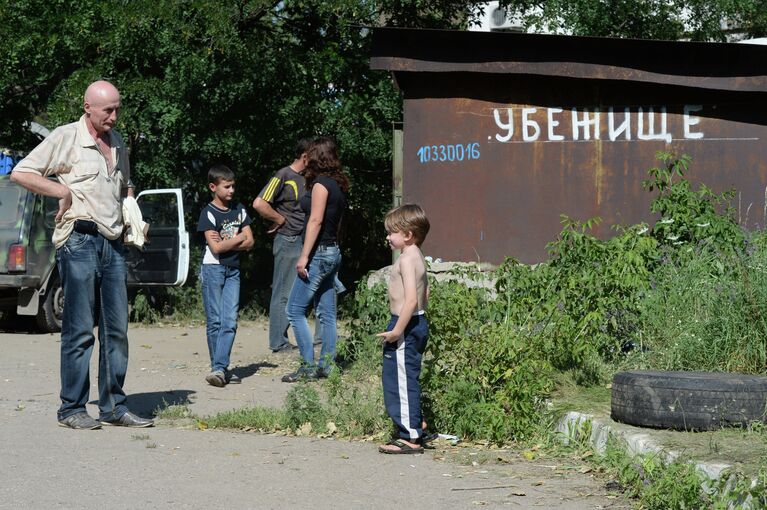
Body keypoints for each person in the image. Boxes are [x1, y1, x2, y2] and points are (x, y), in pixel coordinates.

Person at [10, 80, 153, 429]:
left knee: (117, 329)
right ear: (88, 107)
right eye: (108, 110)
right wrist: (61, 190)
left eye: (118, 108)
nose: (115, 116)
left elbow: (124, 185)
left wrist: (130, 208)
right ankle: (72, 408)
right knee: (78, 329)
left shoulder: (117, 142)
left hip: (113, 243)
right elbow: (21, 172)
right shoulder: (66, 137)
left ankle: (114, 407)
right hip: (79, 240)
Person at [282, 137, 347, 382]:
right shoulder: (338, 185)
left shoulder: (321, 185)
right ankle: (327, 366)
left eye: (310, 155)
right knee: (326, 313)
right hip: (333, 251)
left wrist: (304, 256)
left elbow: (316, 221)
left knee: (294, 310)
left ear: (317, 157)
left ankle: (308, 367)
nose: (306, 159)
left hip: (319, 253)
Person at [376, 204, 431, 454]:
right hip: (414, 322)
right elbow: (425, 292)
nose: (388, 237)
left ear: (408, 234)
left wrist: (398, 330)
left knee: (400, 379)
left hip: (405, 325)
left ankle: (410, 436)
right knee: (402, 376)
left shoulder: (407, 259)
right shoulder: (417, 255)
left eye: (392, 232)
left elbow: (411, 299)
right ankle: (415, 421)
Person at [253, 138, 312, 353]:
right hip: (287, 240)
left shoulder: (309, 178)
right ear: (305, 156)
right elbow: (259, 203)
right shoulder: (283, 175)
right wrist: (279, 220)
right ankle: (278, 342)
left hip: (303, 240)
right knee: (283, 292)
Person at [197, 164, 254, 387]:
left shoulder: (239, 209)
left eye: (233, 186)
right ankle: (219, 368)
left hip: (233, 270)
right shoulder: (208, 213)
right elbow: (216, 249)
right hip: (213, 269)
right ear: (213, 187)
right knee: (215, 321)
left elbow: (251, 241)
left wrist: (231, 242)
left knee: (229, 321)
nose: (231, 191)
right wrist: (238, 239)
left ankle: (219, 368)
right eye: (227, 186)